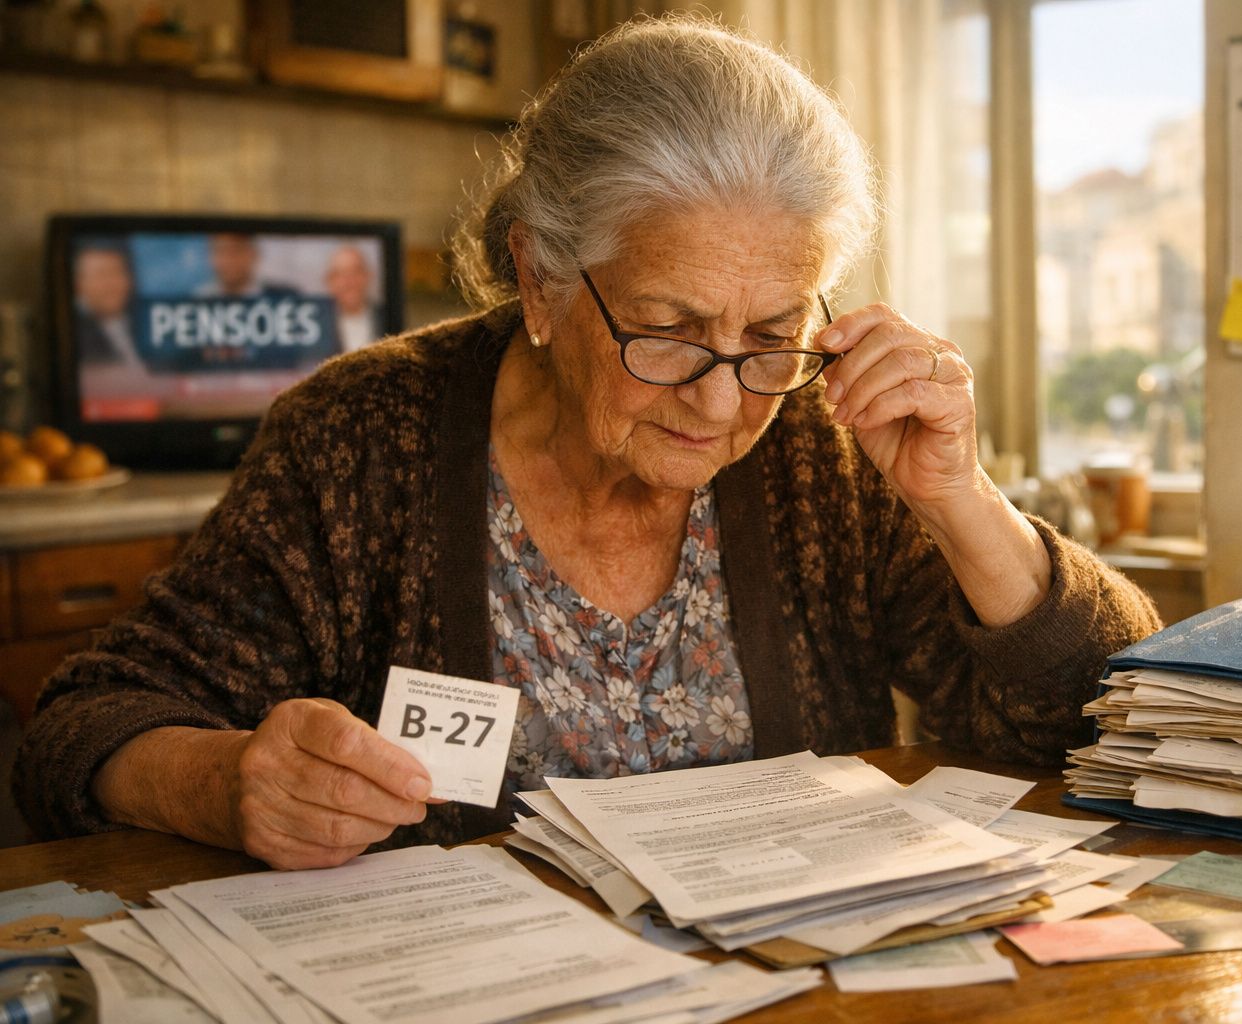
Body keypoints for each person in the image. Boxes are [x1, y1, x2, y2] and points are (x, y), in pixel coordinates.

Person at [15, 16, 1159, 871]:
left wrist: (960, 499)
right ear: (540, 278)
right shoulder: (360, 436)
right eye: (667, 330)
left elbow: (1115, 729)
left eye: (771, 333)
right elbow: (82, 726)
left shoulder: (822, 438)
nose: (722, 401)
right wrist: (224, 781)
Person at [73, 243, 138, 366]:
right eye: (102, 275)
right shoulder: (77, 335)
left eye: (117, 273)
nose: (111, 284)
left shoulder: (146, 320)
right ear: (78, 285)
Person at [194, 232, 298, 299]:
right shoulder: (197, 301)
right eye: (221, 251)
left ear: (254, 255)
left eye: (236, 250)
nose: (229, 259)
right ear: (210, 257)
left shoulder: (284, 298)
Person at [325, 243, 385, 352]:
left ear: (368, 276)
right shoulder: (319, 326)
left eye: (356, 272)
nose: (349, 281)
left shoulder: (387, 316)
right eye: (341, 274)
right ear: (330, 281)